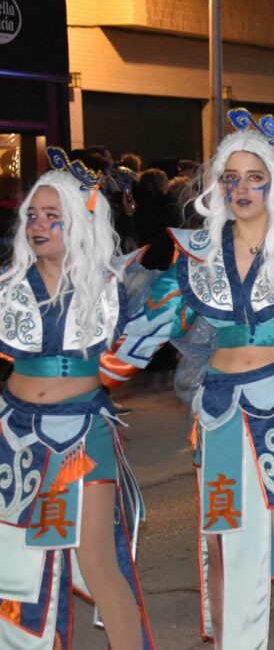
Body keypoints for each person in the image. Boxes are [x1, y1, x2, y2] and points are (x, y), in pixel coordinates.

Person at [101, 109, 274, 648]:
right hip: (221, 410)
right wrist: (87, 375)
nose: (241, 188)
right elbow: (148, 325)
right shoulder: (197, 256)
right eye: (230, 177)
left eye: (253, 176)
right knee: (230, 540)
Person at [0, 149, 153, 648]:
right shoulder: (8, 287)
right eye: (32, 216)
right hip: (14, 433)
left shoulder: (109, 285)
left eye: (52, 217)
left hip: (84, 433)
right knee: (16, 564)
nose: (38, 226)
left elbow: (160, 326)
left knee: (97, 561)